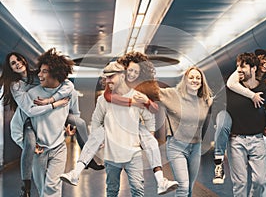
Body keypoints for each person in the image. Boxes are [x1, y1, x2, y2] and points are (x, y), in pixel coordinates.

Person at [61, 52, 179, 195]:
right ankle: (76, 172)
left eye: (136, 72)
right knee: (111, 188)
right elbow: (101, 111)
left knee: (138, 187)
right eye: (130, 70)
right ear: (124, 71)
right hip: (112, 149)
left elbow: (151, 113)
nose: (133, 74)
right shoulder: (106, 97)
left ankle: (161, 181)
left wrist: (149, 132)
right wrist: (100, 141)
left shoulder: (139, 92)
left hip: (133, 145)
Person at [213, 47, 266, 185]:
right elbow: (230, 85)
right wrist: (252, 95)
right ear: (257, 61)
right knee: (223, 125)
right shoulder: (242, 69)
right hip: (234, 114)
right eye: (265, 59)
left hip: (259, 113)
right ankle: (218, 164)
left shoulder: (265, 82)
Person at [10, 48, 79, 197]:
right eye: (39, 71)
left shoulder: (67, 92)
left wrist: (70, 125)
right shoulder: (31, 95)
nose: (39, 75)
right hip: (39, 150)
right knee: (43, 190)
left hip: (59, 147)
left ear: (55, 73)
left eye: (44, 72)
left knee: (52, 188)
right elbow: (16, 125)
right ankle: (26, 186)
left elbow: (73, 113)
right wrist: (25, 144)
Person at [159, 66, 213, 197]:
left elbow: (204, 125)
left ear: (202, 81)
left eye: (198, 78)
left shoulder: (206, 100)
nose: (195, 80)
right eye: (191, 77)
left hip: (196, 147)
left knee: (189, 189)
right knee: (183, 186)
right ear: (185, 80)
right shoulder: (173, 94)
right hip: (177, 146)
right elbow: (153, 91)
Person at [226, 52, 266, 196]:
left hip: (257, 140)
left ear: (254, 68)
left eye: (243, 66)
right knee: (240, 183)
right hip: (236, 141)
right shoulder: (232, 88)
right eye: (237, 66)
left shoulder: (264, 88)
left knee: (261, 180)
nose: (239, 69)